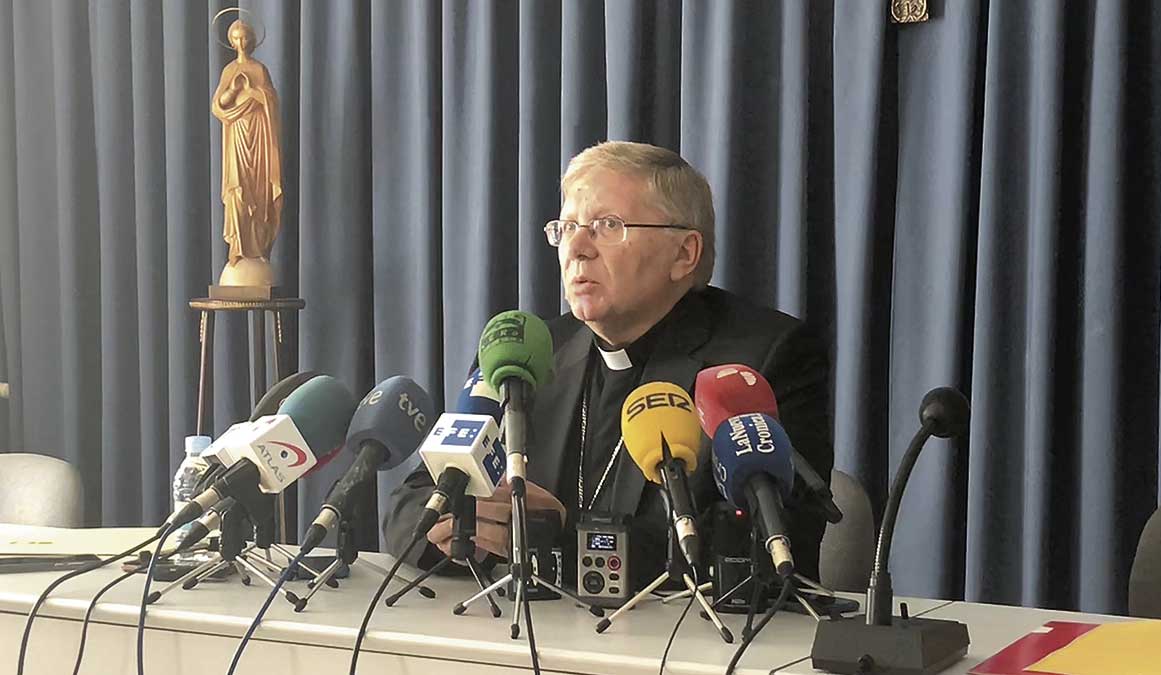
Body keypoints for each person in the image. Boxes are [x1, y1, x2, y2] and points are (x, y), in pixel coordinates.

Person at [383, 141, 833, 589]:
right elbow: (412, 505)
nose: (576, 247)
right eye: (567, 227)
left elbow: (762, 546)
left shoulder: (764, 358)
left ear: (684, 254)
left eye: (606, 225)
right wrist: (464, 530)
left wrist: (562, 541)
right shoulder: (527, 354)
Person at [211, 19, 283, 284]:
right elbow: (218, 107)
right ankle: (238, 250)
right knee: (238, 192)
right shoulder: (229, 71)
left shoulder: (259, 69)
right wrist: (232, 90)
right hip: (237, 136)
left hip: (260, 138)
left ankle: (259, 249)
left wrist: (253, 91)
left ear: (251, 40)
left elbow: (271, 101)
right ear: (231, 42)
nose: (241, 43)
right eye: (237, 38)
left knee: (260, 193)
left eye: (245, 38)